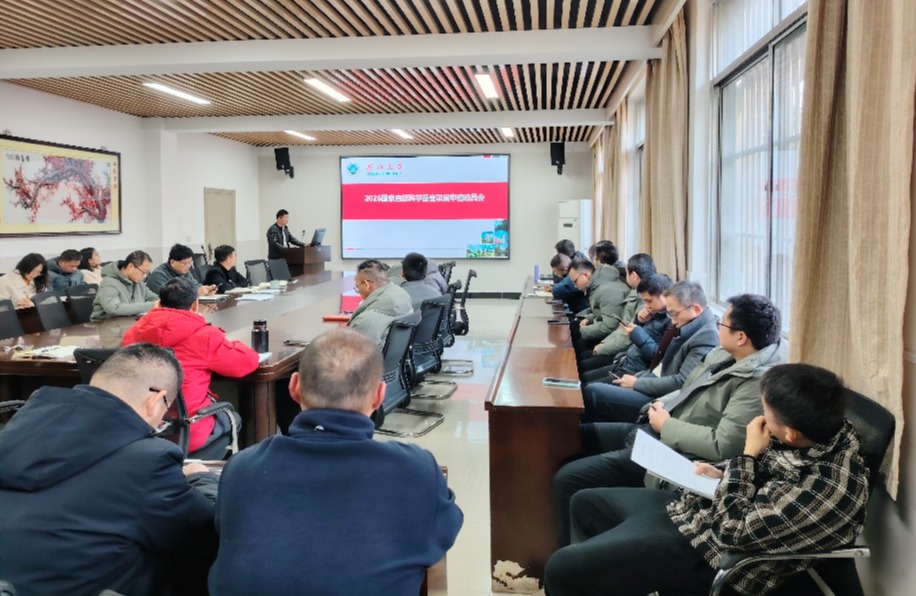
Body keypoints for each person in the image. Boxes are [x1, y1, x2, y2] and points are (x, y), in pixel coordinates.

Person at [545, 363, 869, 596]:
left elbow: (732, 532)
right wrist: (723, 470)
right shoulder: (815, 435)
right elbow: (764, 474)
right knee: (584, 501)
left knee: (562, 568)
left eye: (766, 414)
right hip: (698, 513)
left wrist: (746, 457)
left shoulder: (826, 490)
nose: (759, 419)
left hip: (716, 554)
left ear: (790, 433)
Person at [208, 328, 463, 595]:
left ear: (294, 387)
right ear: (379, 395)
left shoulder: (242, 469)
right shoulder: (414, 470)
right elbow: (445, 531)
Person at [553, 293, 783, 545]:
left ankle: (564, 549)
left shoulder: (756, 382)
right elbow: (688, 388)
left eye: (722, 324)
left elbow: (723, 444)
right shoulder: (724, 355)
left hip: (674, 453)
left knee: (569, 478)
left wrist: (666, 425)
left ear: (741, 337)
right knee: (570, 435)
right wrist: (662, 403)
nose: (718, 327)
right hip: (658, 430)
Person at [0, 343, 219, 595]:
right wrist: (201, 479)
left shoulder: (12, 435)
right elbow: (206, 533)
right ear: (155, 400)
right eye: (166, 408)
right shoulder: (148, 461)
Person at [123, 277, 259, 456]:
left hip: (140, 430)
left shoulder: (132, 333)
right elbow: (247, 362)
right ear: (195, 304)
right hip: (187, 431)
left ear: (159, 303)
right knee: (234, 418)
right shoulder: (204, 336)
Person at [582, 280, 719, 422]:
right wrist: (639, 378)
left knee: (592, 392)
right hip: (650, 380)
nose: (672, 321)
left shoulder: (707, 336)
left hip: (662, 401)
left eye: (674, 314)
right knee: (592, 391)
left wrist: (637, 383)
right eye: (670, 315)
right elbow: (662, 365)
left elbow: (681, 382)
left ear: (696, 309)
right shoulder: (688, 325)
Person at [580, 273, 673, 384]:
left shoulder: (672, 321)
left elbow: (658, 357)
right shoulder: (654, 313)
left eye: (649, 301)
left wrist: (636, 333)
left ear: (664, 295)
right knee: (582, 379)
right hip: (626, 362)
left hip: (636, 373)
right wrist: (639, 321)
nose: (647, 305)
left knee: (588, 387)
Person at [569, 255, 629, 353]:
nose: (575, 286)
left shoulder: (608, 291)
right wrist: (588, 319)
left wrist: (584, 330)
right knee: (574, 331)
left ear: (586, 275)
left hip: (614, 337)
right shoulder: (598, 286)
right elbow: (602, 313)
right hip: (609, 332)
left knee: (578, 347)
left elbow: (611, 326)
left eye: (575, 281)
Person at [348, 259, 413, 345]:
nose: (358, 291)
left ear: (366, 284)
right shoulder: (404, 298)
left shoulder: (363, 322)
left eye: (357, 287)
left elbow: (349, 351)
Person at [90, 250, 159, 320]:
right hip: (105, 324)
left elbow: (152, 297)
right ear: (130, 266)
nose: (145, 276)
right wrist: (153, 305)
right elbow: (114, 309)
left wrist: (163, 302)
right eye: (144, 272)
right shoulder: (108, 283)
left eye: (147, 273)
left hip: (128, 322)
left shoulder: (138, 282)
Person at [146, 243, 216, 295]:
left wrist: (206, 290)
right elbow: (169, 297)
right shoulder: (159, 275)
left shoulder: (185, 272)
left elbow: (195, 285)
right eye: (185, 263)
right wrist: (195, 292)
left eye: (190, 263)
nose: (188, 266)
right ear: (172, 262)